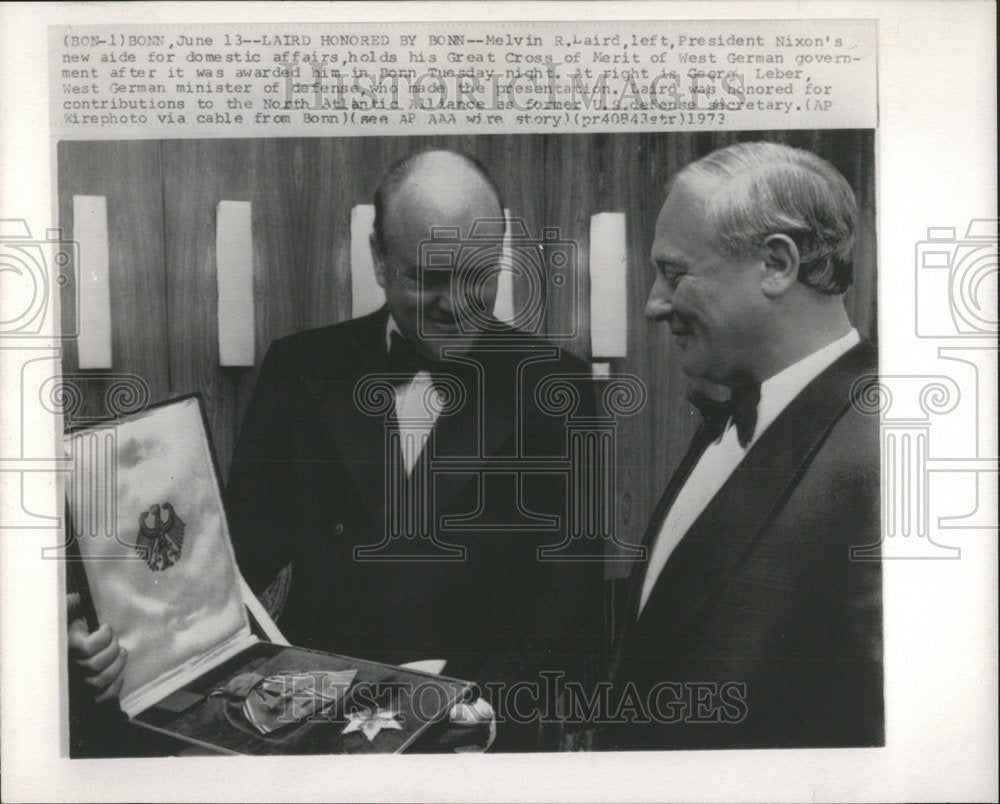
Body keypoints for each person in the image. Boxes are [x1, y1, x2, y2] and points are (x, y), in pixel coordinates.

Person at [71, 150, 602, 753]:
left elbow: (569, 597)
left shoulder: (556, 386)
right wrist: (131, 639)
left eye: (478, 276)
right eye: (427, 277)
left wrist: (488, 709)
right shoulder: (301, 369)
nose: (457, 306)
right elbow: (233, 561)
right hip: (315, 734)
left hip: (470, 737)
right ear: (379, 258)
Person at [600, 141, 882, 750]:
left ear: (777, 265)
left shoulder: (884, 451)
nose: (653, 304)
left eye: (675, 273)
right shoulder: (732, 410)